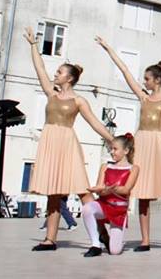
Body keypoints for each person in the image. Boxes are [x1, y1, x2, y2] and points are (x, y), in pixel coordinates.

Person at [97, 37, 161, 251]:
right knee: (142, 194)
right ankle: (145, 240)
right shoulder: (144, 98)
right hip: (142, 143)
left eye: (147, 79)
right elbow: (125, 71)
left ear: (157, 81)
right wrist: (109, 49)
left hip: (159, 144)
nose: (144, 82)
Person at [24, 27, 114, 252]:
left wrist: (113, 140)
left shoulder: (79, 100)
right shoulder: (52, 94)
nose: (55, 74)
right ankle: (50, 239)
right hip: (50, 141)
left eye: (60, 72)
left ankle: (102, 231)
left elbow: (94, 122)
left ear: (70, 78)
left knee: (83, 189)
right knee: (53, 192)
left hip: (67, 143)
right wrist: (34, 46)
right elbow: (40, 70)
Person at [81, 133, 139, 256]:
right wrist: (97, 189)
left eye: (115, 149)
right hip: (104, 205)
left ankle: (111, 239)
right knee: (87, 208)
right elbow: (100, 187)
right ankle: (95, 244)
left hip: (118, 210)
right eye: (111, 149)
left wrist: (110, 188)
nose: (112, 152)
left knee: (114, 251)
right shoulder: (105, 166)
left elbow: (126, 190)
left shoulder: (133, 168)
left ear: (126, 151)